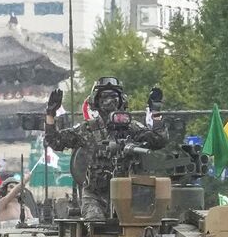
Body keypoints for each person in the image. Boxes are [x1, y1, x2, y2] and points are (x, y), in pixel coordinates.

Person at [43, 77, 168, 220]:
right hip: (95, 196)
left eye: (114, 96)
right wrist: (50, 114)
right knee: (96, 224)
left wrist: (156, 112)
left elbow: (159, 140)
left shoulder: (131, 127)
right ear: (96, 100)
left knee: (137, 228)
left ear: (121, 100)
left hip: (129, 194)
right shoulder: (87, 129)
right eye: (105, 96)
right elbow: (54, 141)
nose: (110, 101)